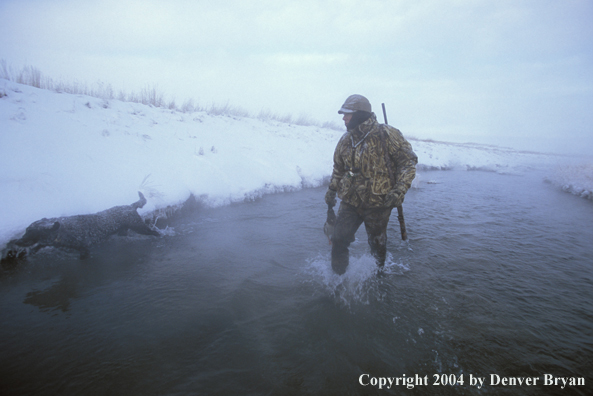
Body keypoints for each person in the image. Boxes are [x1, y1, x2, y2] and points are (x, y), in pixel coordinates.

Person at [325, 94, 417, 274]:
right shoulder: (345, 140)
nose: (344, 118)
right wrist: (331, 190)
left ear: (359, 114)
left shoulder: (387, 134)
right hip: (350, 200)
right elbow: (339, 169)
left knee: (377, 244)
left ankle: (378, 278)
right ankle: (338, 278)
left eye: (347, 114)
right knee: (338, 238)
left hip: (379, 202)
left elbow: (408, 163)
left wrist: (399, 190)